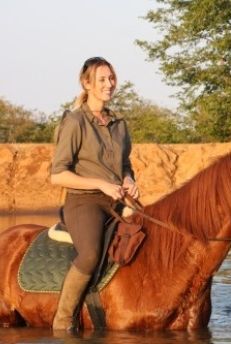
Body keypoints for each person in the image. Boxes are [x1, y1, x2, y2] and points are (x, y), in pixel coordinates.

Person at [50, 57, 139, 331]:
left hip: (117, 201)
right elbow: (57, 175)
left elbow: (125, 165)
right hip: (84, 202)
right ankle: (62, 321)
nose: (109, 84)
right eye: (102, 79)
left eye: (111, 78)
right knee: (89, 255)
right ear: (86, 83)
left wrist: (128, 179)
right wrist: (100, 184)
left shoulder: (119, 124)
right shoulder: (75, 122)